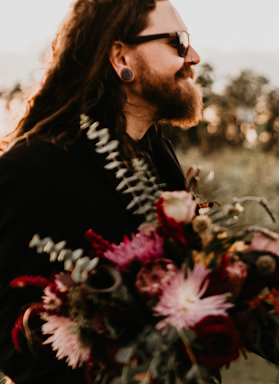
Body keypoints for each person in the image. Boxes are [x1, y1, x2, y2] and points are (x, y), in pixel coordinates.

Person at [0, 1, 201, 382]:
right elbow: (11, 329)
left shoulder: (159, 152)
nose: (193, 56)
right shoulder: (30, 169)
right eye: (178, 41)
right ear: (120, 56)